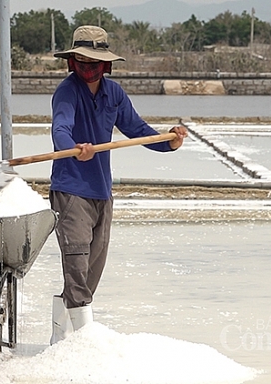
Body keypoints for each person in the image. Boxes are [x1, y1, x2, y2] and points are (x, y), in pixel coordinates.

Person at [48, 25, 188, 344]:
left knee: (90, 273)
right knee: (77, 266)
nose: (88, 68)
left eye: (94, 62)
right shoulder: (67, 91)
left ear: (106, 64)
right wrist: (74, 148)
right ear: (72, 62)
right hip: (71, 193)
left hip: (101, 192)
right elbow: (60, 128)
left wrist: (169, 141)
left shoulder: (114, 94)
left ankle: (59, 341)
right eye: (82, 61)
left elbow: (137, 129)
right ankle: (83, 344)